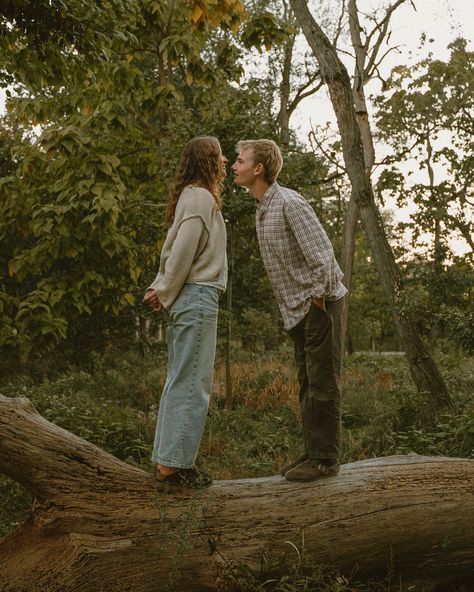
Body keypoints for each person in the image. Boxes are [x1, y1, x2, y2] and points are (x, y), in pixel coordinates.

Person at [231, 139, 347, 481]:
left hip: (318, 305)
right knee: (307, 383)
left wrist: (317, 302)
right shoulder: (262, 207)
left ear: (258, 169)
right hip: (297, 310)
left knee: (323, 383)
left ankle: (326, 460)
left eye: (240, 161)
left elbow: (323, 256)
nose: (233, 166)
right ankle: (313, 452)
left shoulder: (288, 203)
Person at [143, 136, 228, 488]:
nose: (225, 162)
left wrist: (163, 286)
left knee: (181, 379)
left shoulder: (193, 197)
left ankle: (168, 463)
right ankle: (173, 469)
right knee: (193, 383)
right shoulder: (200, 197)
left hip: (191, 296)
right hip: (197, 297)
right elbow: (181, 251)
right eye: (221, 156)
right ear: (208, 160)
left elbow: (176, 248)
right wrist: (163, 288)